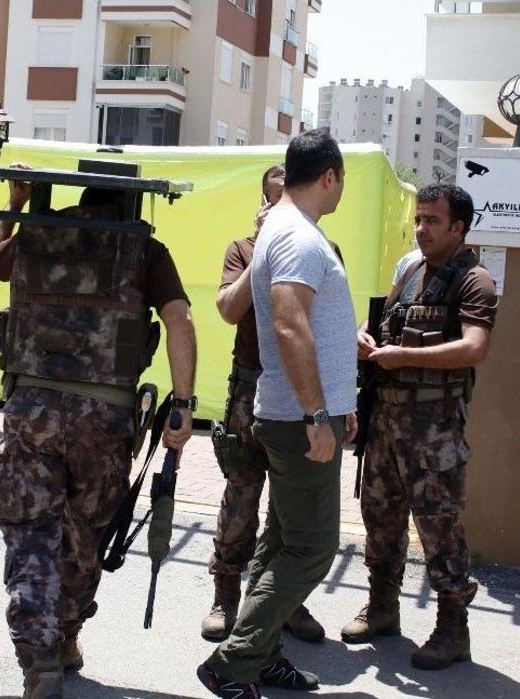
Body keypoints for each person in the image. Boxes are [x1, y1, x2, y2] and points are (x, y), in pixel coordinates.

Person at [0, 170, 197, 699]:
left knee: (30, 533)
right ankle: (65, 635)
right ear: (129, 204)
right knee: (84, 537)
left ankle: (40, 660)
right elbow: (179, 322)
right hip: (105, 419)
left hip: (32, 409)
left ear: (81, 197)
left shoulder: (36, 235)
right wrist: (183, 405)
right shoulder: (144, 250)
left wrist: (12, 205)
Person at [198, 128, 357, 698]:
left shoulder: (285, 230)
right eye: (342, 183)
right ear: (330, 176)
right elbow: (290, 325)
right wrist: (318, 414)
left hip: (301, 414)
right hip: (298, 420)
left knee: (280, 542)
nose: (342, 193)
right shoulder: (295, 236)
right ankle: (233, 663)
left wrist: (339, 406)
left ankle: (259, 658)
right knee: (313, 549)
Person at [345, 184, 497, 671]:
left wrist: (404, 356)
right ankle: (383, 608)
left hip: (434, 430)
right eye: (419, 219)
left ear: (459, 227)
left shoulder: (474, 281)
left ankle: (453, 629)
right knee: (380, 520)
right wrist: (367, 339)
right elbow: (389, 328)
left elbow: (475, 348)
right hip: (386, 421)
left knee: (438, 529)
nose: (421, 228)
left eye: (432, 220)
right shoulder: (410, 270)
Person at [203, 164, 335, 644]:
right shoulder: (243, 250)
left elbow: (330, 326)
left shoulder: (322, 250)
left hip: (299, 392)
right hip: (250, 386)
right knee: (242, 489)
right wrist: (262, 252)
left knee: (291, 503)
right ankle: (225, 591)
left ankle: (286, 598)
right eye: (274, 200)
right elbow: (227, 309)